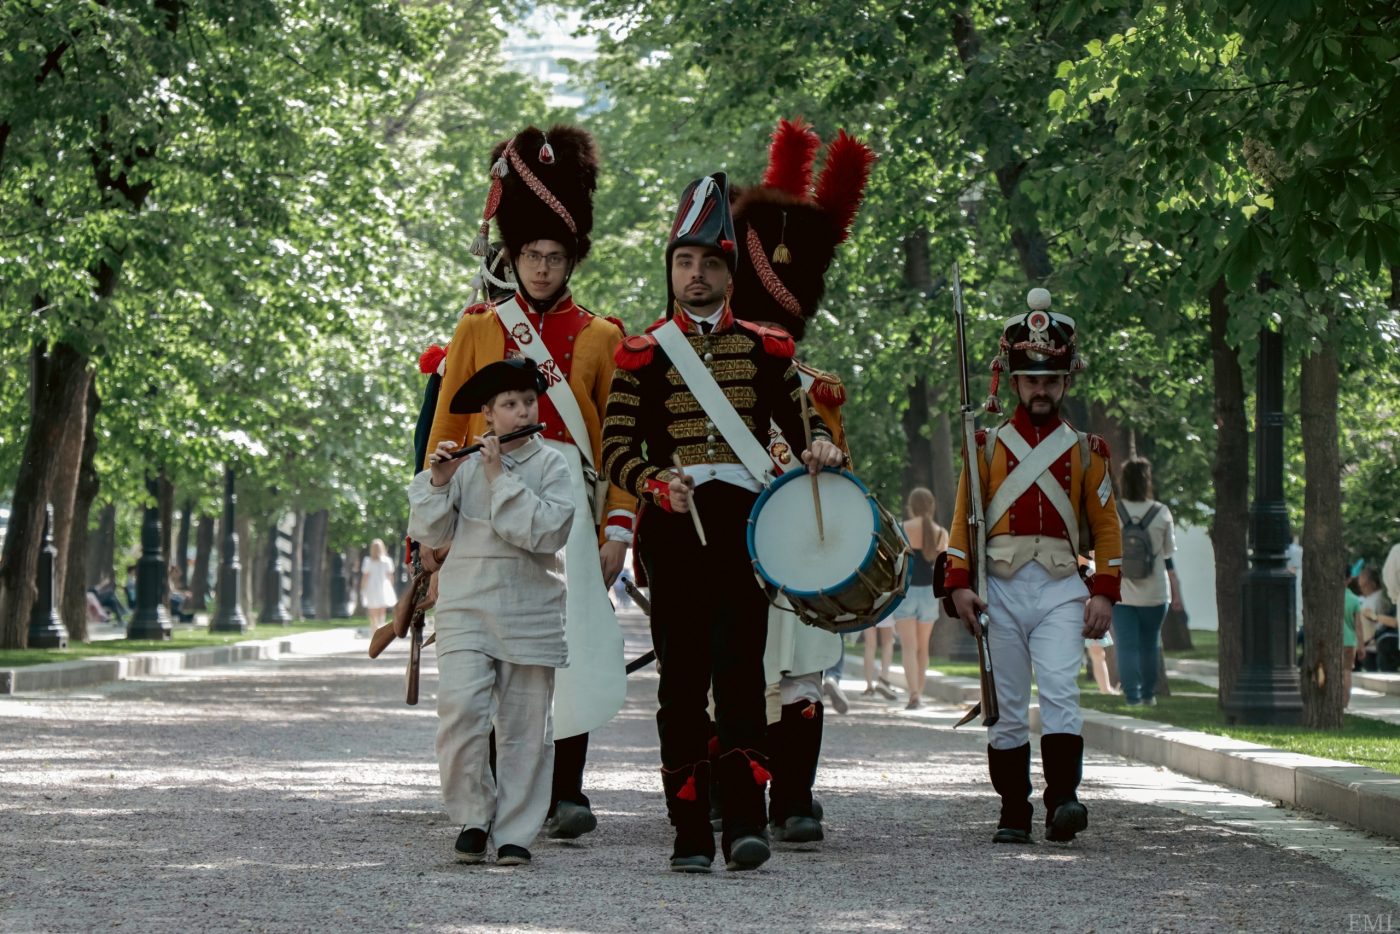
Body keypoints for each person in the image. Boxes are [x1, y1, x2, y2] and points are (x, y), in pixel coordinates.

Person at [601, 169, 844, 872]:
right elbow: (617, 450)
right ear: (670, 270)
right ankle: (687, 834)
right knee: (681, 689)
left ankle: (745, 823)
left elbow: (800, 429)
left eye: (709, 262)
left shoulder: (767, 349)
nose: (696, 274)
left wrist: (819, 447)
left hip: (744, 529)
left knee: (741, 680)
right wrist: (652, 481)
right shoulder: (641, 356)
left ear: (730, 272)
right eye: (684, 261)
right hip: (676, 532)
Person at [424, 125, 635, 841]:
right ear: (511, 256)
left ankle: (565, 789)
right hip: (483, 501)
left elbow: (619, 440)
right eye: (529, 255)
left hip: (565, 507)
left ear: (572, 256)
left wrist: (618, 527)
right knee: (486, 646)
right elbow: (447, 430)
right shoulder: (480, 326)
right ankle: (485, 800)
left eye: (553, 255)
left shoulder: (606, 336)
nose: (541, 268)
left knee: (559, 650)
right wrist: (434, 524)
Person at [728, 118, 875, 841]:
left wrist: (825, 457)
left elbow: (836, 473)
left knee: (803, 675)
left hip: (798, 557)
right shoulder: (713, 377)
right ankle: (745, 795)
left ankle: (794, 797)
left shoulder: (820, 390)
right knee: (743, 676)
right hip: (730, 546)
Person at [944, 287, 1122, 846]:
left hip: (1061, 589)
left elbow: (1109, 527)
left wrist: (1104, 592)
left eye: (1050, 379)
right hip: (998, 587)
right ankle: (1013, 811)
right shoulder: (985, 446)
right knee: (1010, 703)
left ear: (1065, 382)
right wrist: (958, 587)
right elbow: (960, 524)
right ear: (1014, 383)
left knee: (1063, 692)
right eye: (1030, 379)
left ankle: (1063, 800)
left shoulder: (1088, 452)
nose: (1040, 389)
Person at [409, 357, 574, 867]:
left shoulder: (553, 465)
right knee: (459, 713)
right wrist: (438, 483)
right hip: (464, 605)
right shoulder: (461, 467)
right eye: (509, 404)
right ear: (487, 415)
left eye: (528, 402)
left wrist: (499, 476)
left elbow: (545, 532)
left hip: (531, 606)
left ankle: (517, 832)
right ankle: (474, 817)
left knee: (526, 727)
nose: (522, 411)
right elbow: (432, 537)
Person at [1111, 456, 1183, 706]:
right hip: (1155, 591)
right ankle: (1148, 695)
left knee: (1126, 646)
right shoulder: (1161, 512)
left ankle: (1131, 695)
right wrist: (1176, 591)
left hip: (1122, 593)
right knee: (1150, 644)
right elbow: (1167, 553)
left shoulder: (1114, 510)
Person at [895, 487, 947, 709]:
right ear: (931, 506)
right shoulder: (941, 533)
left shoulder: (902, 528)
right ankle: (920, 695)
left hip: (906, 591)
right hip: (929, 593)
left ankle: (913, 694)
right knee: (923, 647)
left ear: (911, 506)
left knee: (908, 646)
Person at [1358, 566, 1396, 671]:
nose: (1362, 588)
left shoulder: (1380, 598)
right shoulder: (1369, 598)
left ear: (1372, 583)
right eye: (1361, 586)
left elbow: (1385, 623)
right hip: (1368, 648)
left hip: (1375, 647)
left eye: (1364, 585)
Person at [359, 539, 397, 629]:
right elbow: (390, 576)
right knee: (381, 611)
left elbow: (365, 576)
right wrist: (390, 587)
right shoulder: (387, 561)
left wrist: (362, 588)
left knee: (372, 611)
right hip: (383, 586)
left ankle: (374, 629)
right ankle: (381, 627)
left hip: (371, 587)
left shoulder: (368, 561)